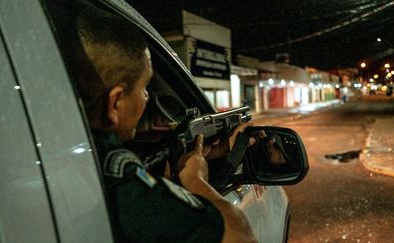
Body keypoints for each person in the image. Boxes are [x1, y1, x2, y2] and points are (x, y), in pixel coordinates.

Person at [62, 5, 257, 243]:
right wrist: (195, 178)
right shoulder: (116, 175)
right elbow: (241, 236)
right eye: (144, 88)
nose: (146, 98)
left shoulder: (65, 153)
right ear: (115, 102)